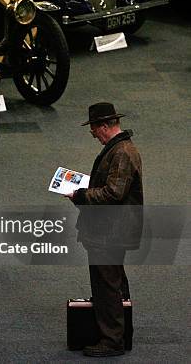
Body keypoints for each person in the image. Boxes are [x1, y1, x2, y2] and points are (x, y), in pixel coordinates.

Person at [65, 102, 143, 357]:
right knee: (112, 279)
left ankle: (112, 339)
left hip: (110, 231)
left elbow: (114, 193)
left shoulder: (121, 153)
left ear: (105, 126)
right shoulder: (120, 149)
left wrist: (81, 195)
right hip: (111, 229)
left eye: (95, 131)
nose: (94, 136)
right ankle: (119, 328)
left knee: (107, 283)